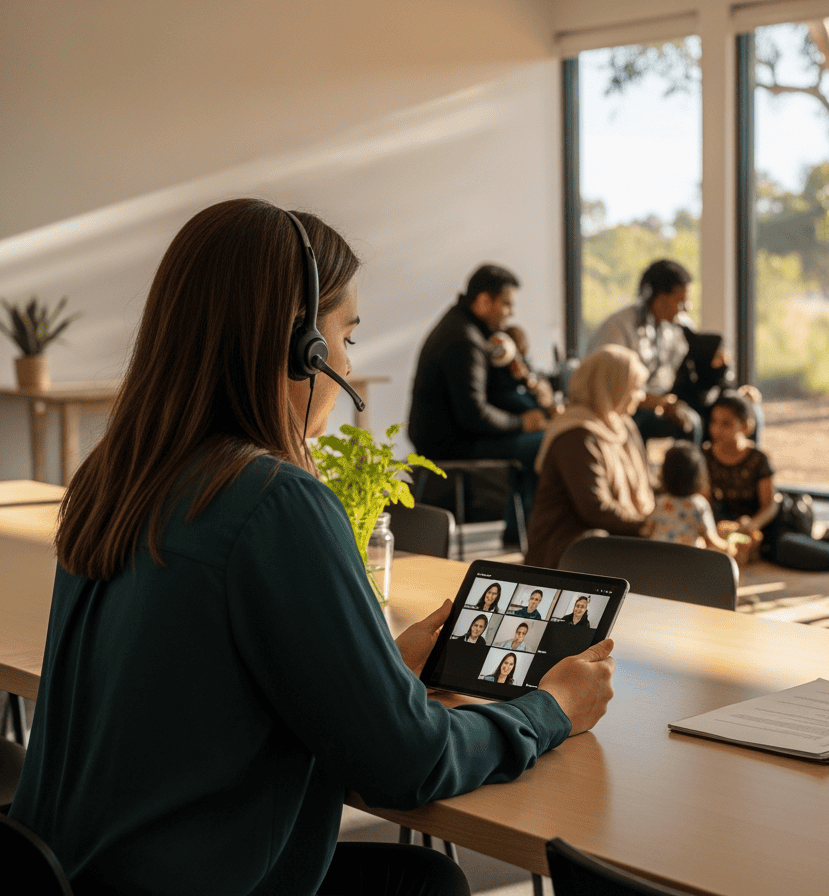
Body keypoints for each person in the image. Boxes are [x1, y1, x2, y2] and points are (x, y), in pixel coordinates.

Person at [7, 199, 616, 896]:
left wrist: (382, 670)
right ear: (306, 350)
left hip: (74, 875)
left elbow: (211, 688)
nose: (349, 365)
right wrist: (550, 709)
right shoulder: (271, 500)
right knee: (428, 885)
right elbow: (407, 764)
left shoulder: (114, 476)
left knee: (413, 877)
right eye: (347, 339)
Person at [407, 264, 545, 545]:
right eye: (506, 304)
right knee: (545, 444)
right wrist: (522, 422)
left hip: (449, 437)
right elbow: (474, 415)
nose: (511, 313)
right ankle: (536, 538)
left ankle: (519, 533)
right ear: (484, 301)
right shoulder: (464, 339)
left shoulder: (461, 326)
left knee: (540, 441)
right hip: (450, 445)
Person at [523, 345, 656, 568]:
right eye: (634, 387)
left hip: (609, 540)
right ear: (611, 385)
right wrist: (649, 525)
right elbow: (595, 509)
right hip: (568, 553)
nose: (640, 396)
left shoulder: (623, 426)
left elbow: (647, 486)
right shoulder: (576, 435)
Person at [589, 259, 702, 444]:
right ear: (659, 299)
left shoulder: (679, 325)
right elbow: (606, 384)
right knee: (635, 426)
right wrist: (650, 401)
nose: (687, 308)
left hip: (660, 401)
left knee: (692, 423)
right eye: (680, 301)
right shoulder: (618, 327)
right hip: (626, 406)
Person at [703, 390, 777, 551]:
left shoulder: (758, 458)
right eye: (714, 422)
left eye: (726, 424)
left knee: (790, 549)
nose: (716, 429)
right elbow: (705, 503)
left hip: (761, 526)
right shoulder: (705, 456)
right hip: (726, 527)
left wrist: (752, 524)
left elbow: (770, 505)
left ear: (746, 426)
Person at [646, 441, 733, 553]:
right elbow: (711, 539)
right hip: (689, 561)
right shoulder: (699, 504)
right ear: (698, 474)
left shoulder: (659, 502)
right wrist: (729, 547)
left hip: (661, 558)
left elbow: (648, 530)